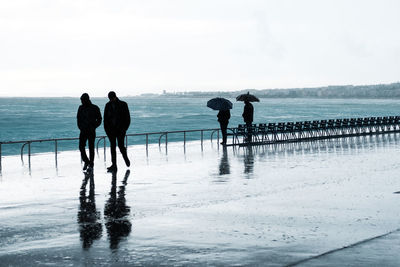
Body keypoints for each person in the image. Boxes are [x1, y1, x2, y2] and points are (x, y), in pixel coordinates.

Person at [104, 91, 131, 172]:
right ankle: (114, 165)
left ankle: (125, 157)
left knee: (120, 146)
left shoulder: (123, 104)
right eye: (109, 98)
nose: (110, 100)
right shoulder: (107, 105)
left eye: (111, 98)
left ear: (115, 97)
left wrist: (124, 129)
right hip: (111, 131)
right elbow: (105, 119)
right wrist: (107, 130)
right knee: (113, 147)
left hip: (120, 130)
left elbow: (127, 118)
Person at [77, 93, 102, 171]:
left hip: (91, 131)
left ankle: (91, 164)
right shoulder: (80, 108)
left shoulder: (95, 108)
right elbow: (78, 118)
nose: (81, 101)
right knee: (81, 147)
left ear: (86, 100)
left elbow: (99, 119)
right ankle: (87, 161)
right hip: (83, 131)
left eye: (82, 100)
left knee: (91, 148)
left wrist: (94, 126)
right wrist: (80, 127)